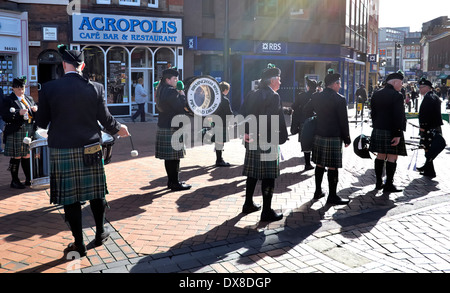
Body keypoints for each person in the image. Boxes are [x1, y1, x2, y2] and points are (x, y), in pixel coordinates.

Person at [36, 45, 130, 257]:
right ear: (83, 65)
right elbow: (106, 120)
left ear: (63, 65)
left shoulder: (49, 89)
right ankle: (99, 233)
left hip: (63, 149)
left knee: (71, 198)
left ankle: (79, 243)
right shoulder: (95, 87)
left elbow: (41, 122)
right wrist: (119, 128)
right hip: (91, 147)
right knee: (96, 193)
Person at [240, 64, 288, 222]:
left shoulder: (252, 93)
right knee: (268, 176)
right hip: (267, 140)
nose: (280, 83)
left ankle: (248, 204)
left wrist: (247, 132)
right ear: (272, 80)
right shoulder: (273, 96)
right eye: (279, 80)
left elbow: (243, 114)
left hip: (253, 138)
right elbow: (270, 120)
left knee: (252, 173)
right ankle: (266, 211)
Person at [305, 72, 351, 205]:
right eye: (339, 83)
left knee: (319, 164)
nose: (340, 86)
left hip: (319, 134)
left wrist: (316, 118)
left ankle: (317, 191)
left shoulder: (316, 96)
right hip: (334, 136)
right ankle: (332, 196)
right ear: (335, 84)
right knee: (333, 167)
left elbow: (306, 110)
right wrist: (347, 138)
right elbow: (344, 121)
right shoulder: (339, 99)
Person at [369, 72, 407, 193]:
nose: (401, 86)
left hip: (378, 129)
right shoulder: (397, 95)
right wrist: (397, 134)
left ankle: (378, 182)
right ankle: (389, 184)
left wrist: (377, 126)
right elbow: (398, 116)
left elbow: (373, 113)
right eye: (400, 83)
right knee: (392, 157)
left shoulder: (376, 93)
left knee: (380, 155)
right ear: (395, 82)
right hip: (392, 130)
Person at [155, 68, 192, 191]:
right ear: (168, 80)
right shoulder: (171, 91)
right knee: (175, 157)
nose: (177, 81)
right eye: (175, 79)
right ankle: (174, 183)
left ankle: (172, 181)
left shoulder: (160, 90)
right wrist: (181, 94)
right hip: (173, 127)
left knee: (169, 158)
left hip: (164, 125)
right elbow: (181, 107)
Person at [2, 77, 37, 189]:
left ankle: (28, 179)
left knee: (27, 155)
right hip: (16, 131)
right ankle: (15, 180)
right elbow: (5, 116)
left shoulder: (29, 98)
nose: (21, 90)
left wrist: (35, 109)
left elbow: (34, 113)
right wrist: (18, 114)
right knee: (16, 156)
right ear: (13, 88)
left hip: (28, 130)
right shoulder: (8, 100)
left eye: (22, 87)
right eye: (18, 88)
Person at [416, 78, 443, 178]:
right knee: (427, 148)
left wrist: (423, 126)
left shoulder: (429, 97)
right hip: (432, 126)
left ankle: (429, 171)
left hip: (429, 127)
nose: (420, 89)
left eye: (422, 87)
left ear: (427, 88)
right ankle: (428, 168)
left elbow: (427, 113)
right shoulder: (431, 96)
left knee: (428, 149)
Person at [290, 77, 317, 171]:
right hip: (316, 122)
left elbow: (293, 106)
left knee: (305, 143)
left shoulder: (301, 96)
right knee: (316, 143)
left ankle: (307, 164)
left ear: (308, 87)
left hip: (303, 122)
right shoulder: (318, 96)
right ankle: (319, 164)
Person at [213, 81, 234, 167]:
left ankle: (219, 158)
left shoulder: (214, 99)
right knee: (220, 142)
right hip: (222, 123)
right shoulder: (225, 100)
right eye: (228, 90)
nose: (228, 91)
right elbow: (229, 113)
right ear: (225, 90)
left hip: (214, 123)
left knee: (218, 142)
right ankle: (219, 160)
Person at [0, 89, 5, 154]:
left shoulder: (0, 90)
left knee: (0, 132)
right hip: (2, 115)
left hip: (2, 115)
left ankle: (0, 149)